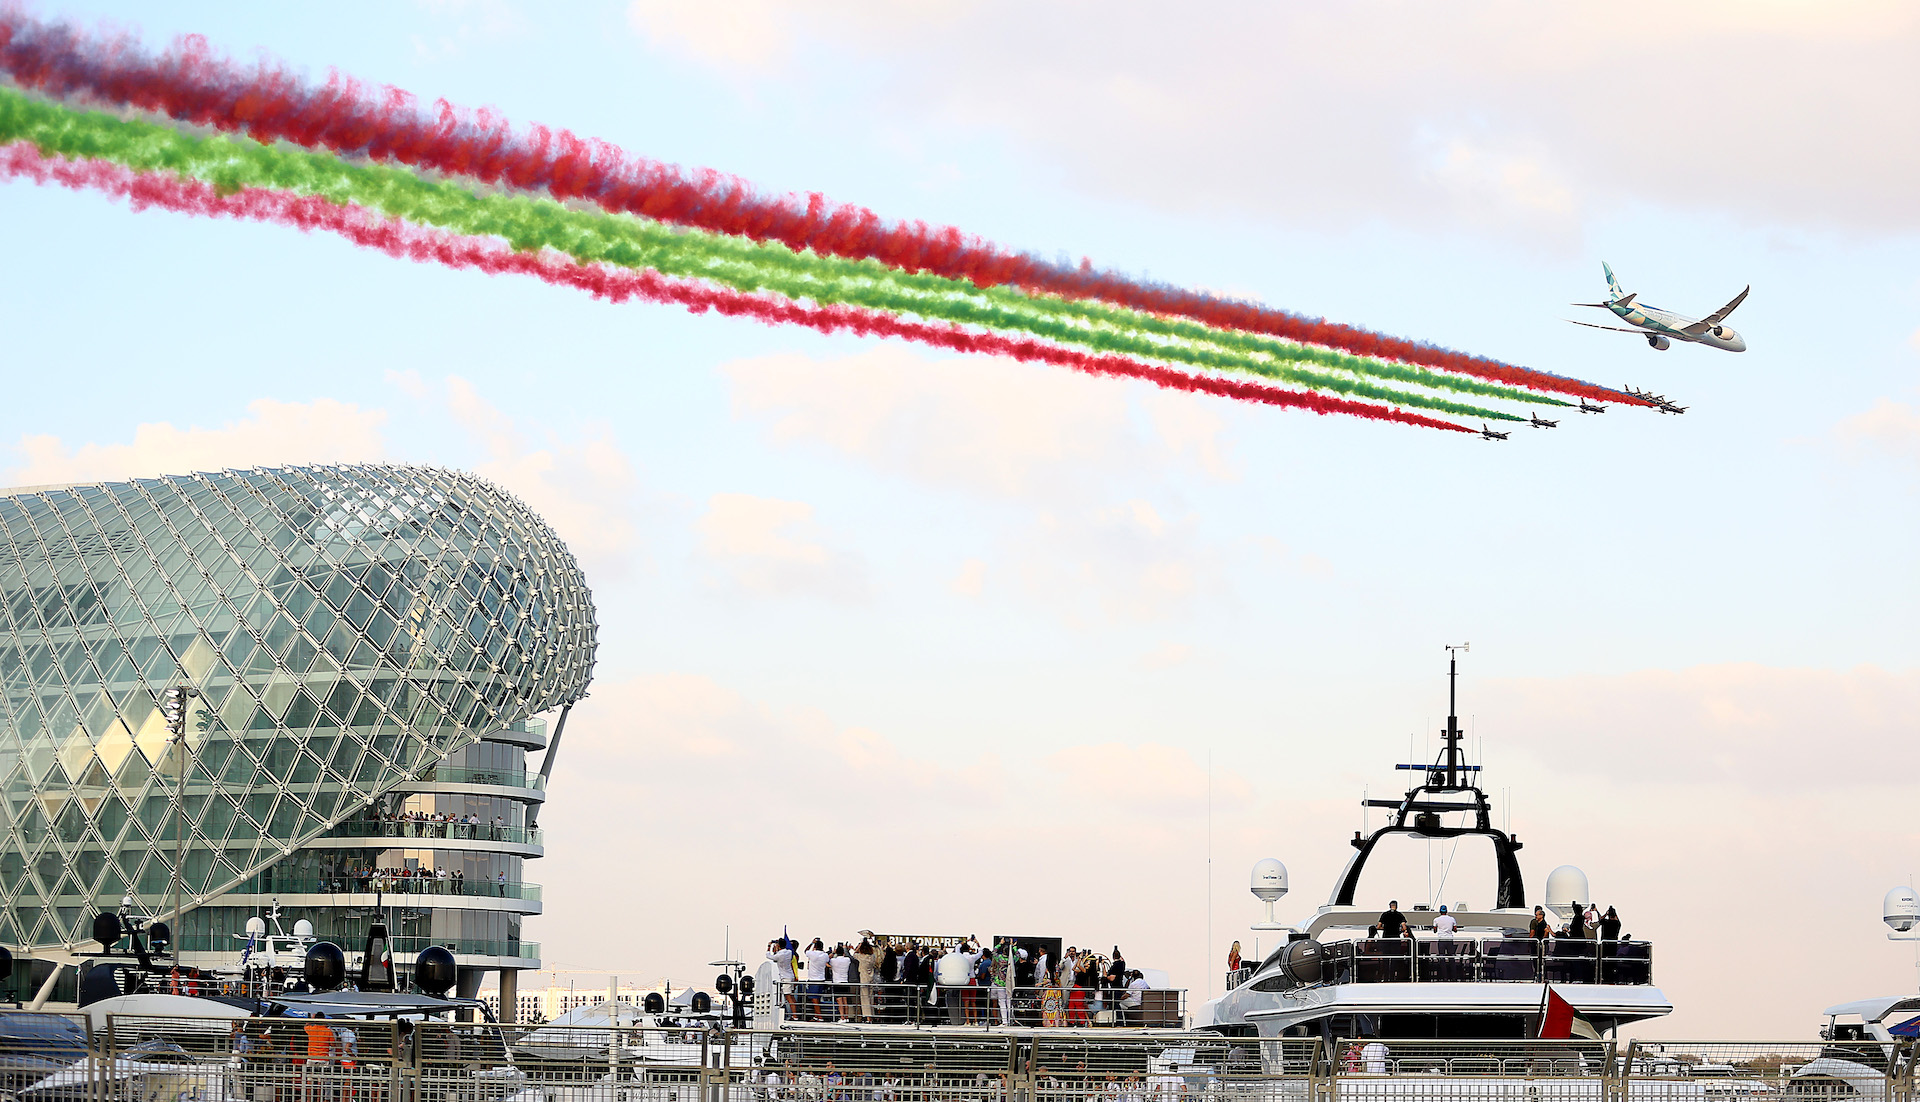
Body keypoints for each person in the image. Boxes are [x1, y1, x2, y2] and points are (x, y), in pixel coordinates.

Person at [851, 939, 880, 1022]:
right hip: (871, 978)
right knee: (870, 998)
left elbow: (854, 954)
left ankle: (868, 1017)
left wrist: (859, 946)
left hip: (863, 979)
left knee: (865, 999)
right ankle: (871, 1015)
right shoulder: (872, 957)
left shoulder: (861, 957)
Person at [803, 938, 831, 1021]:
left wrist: (811, 943)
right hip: (821, 979)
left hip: (813, 979)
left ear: (815, 947)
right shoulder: (825, 955)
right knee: (817, 998)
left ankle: (819, 1016)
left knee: (814, 999)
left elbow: (806, 951)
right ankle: (817, 1015)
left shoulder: (812, 954)